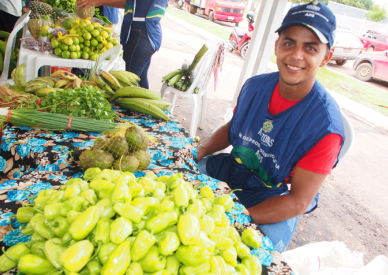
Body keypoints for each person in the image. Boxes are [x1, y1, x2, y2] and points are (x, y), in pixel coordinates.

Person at [197, 1, 345, 253]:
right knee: (172, 183)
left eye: (310, 48)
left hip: (275, 198)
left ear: (326, 57)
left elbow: (298, 201)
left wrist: (234, 219)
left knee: (246, 257)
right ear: (277, 46)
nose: (296, 55)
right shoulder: (255, 87)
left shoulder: (326, 127)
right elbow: (235, 127)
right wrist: (197, 152)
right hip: (232, 171)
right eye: (289, 43)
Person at [76, 0, 168, 89]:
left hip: (141, 36)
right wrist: (100, 2)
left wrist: (98, 1)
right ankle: (147, 103)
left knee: (128, 85)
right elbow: (129, 2)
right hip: (145, 35)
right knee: (140, 81)